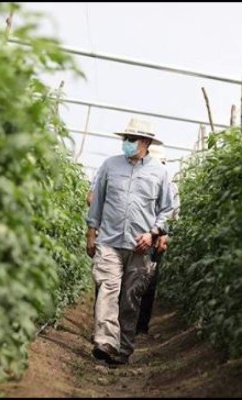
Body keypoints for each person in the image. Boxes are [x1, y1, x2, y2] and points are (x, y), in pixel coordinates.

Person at [86, 117, 173, 365]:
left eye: (131, 139)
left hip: (140, 246)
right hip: (110, 241)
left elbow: (167, 208)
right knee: (108, 290)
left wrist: (153, 233)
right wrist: (91, 232)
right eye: (125, 138)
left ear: (145, 142)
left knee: (130, 299)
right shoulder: (109, 166)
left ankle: (123, 348)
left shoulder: (160, 172)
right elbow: (97, 201)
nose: (126, 143)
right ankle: (106, 341)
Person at [136, 144, 180, 335]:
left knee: (148, 283)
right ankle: (125, 324)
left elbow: (172, 212)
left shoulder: (171, 185)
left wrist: (164, 236)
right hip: (136, 236)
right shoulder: (139, 178)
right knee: (130, 281)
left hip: (154, 239)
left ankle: (141, 326)